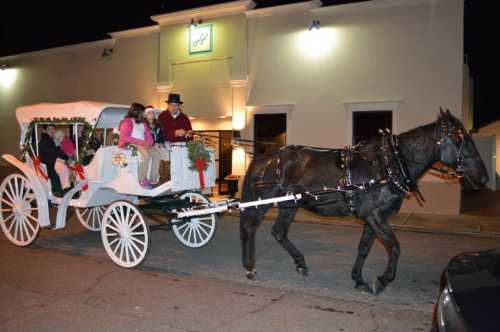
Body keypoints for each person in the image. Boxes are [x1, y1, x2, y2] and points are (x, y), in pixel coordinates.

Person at [118, 103, 156, 189]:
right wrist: (142, 143)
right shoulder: (127, 122)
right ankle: (142, 179)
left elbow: (148, 136)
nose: (144, 114)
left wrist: (149, 143)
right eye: (143, 112)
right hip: (129, 144)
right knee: (145, 155)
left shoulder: (143, 123)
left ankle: (153, 178)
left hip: (141, 144)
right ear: (137, 112)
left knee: (156, 154)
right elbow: (125, 137)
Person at [38, 124, 71, 196]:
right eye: (50, 129)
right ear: (44, 131)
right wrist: (67, 158)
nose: (52, 131)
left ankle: (67, 187)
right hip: (48, 162)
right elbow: (54, 151)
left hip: (52, 160)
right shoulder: (45, 140)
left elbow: (57, 151)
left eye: (53, 129)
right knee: (63, 168)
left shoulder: (50, 139)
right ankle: (64, 189)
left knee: (67, 167)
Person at [144, 106, 163, 185]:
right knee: (146, 156)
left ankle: (153, 178)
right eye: (149, 112)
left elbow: (160, 135)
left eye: (152, 112)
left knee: (158, 154)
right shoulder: (143, 124)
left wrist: (159, 142)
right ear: (145, 115)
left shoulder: (158, 124)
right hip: (146, 145)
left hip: (155, 145)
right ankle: (144, 179)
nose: (151, 114)